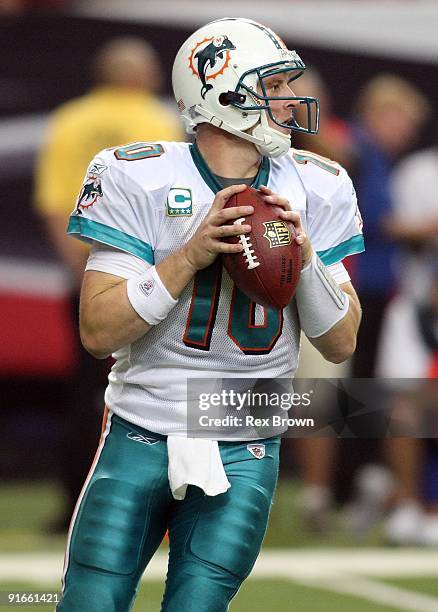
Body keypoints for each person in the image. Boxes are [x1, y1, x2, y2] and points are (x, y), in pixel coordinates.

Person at [56, 18, 363, 611]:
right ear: (222, 92)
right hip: (140, 426)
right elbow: (97, 332)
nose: (289, 100)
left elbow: (342, 342)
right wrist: (189, 255)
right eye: (272, 86)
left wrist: (304, 259)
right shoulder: (138, 173)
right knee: (89, 603)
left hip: (246, 435)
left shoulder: (318, 185)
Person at [34, 36, 184, 531]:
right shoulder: (157, 122)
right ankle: (156, 507)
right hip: (146, 279)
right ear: (142, 75)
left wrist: (83, 277)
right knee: (153, 386)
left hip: (86, 276)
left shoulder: (69, 120)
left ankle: (74, 503)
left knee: (86, 391)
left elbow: (56, 204)